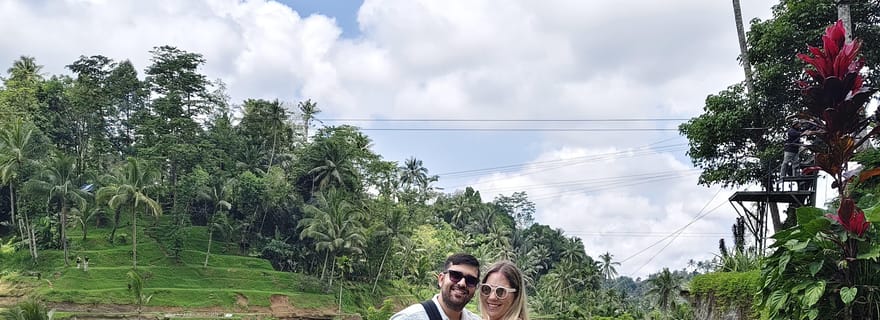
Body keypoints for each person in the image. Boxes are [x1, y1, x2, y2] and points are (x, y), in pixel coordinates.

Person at [391, 253, 482, 320]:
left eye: (470, 280)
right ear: (441, 279)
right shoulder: (409, 318)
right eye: (455, 275)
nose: (462, 283)